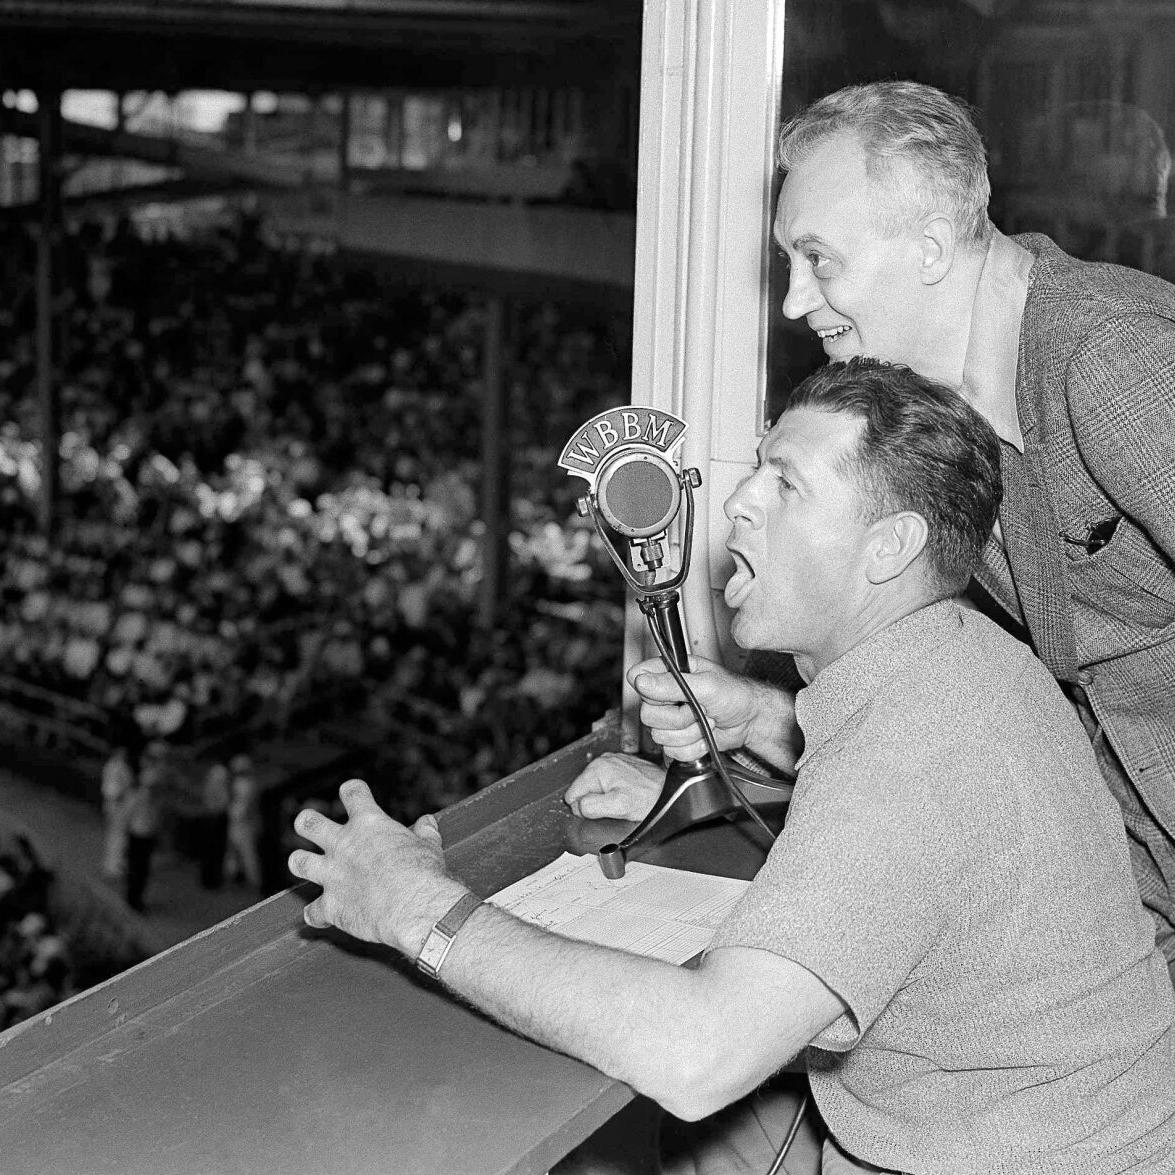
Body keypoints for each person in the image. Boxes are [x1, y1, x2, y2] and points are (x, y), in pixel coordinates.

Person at [290, 359, 1175, 1173]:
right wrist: (759, 719)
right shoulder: (965, 661)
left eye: (785, 483)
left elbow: (699, 1054)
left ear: (889, 547)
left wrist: (418, 908)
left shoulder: (911, 754)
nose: (739, 500)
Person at [609, 79, 1175, 984]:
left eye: (817, 259)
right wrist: (756, 733)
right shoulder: (946, 412)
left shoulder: (1111, 360)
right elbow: (981, 703)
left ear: (931, 246)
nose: (795, 301)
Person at [99, 742, 135, 881]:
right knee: (116, 836)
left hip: (118, 806)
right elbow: (112, 789)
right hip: (117, 806)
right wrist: (119, 797)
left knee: (118, 836)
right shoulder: (115, 766)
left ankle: (115, 864)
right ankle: (113, 867)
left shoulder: (118, 765)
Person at [198, 761, 231, 890]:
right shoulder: (219, 784)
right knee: (215, 851)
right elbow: (223, 802)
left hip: (210, 817)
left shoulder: (210, 783)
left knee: (210, 850)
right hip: (216, 818)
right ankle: (212, 880)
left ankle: (209, 879)